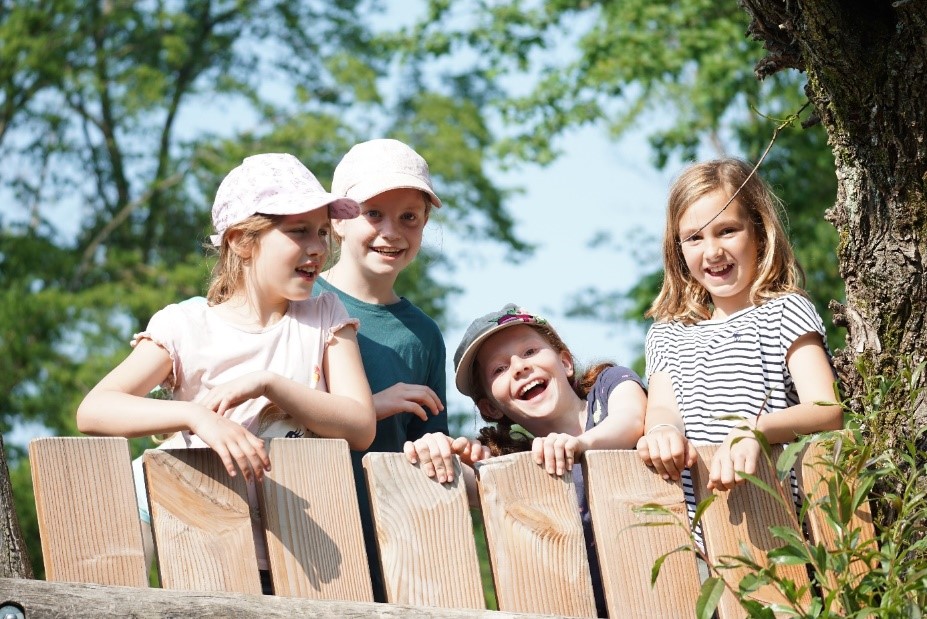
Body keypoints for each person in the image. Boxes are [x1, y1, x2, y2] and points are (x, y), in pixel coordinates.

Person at [75, 153, 377, 590]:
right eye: (298, 231)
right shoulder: (185, 325)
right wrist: (195, 416)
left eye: (323, 232)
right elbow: (95, 410)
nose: (318, 247)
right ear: (240, 240)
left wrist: (268, 383)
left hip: (304, 553)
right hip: (203, 545)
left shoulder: (325, 315)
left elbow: (360, 426)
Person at [635, 158, 843, 538]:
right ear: (678, 249)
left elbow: (827, 409)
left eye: (727, 230)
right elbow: (663, 407)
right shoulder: (668, 334)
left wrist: (757, 430)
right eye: (695, 238)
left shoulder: (786, 311)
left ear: (760, 233)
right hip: (703, 541)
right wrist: (662, 430)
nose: (712, 251)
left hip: (788, 529)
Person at [405, 304, 647, 617]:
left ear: (565, 361)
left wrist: (580, 444)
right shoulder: (519, 466)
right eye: (499, 369)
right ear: (490, 408)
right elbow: (465, 484)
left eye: (530, 351)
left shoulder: (609, 388)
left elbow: (633, 419)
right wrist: (435, 449)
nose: (519, 367)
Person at [314, 138, 448, 601]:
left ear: (424, 225)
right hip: (300, 527)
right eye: (373, 214)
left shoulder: (423, 334)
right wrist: (369, 409)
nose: (392, 232)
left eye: (409, 217)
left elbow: (427, 446)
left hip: (388, 547)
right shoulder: (301, 303)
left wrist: (437, 445)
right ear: (337, 222)